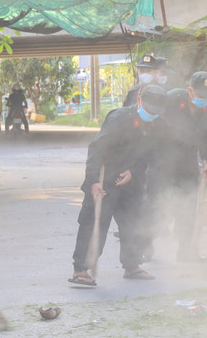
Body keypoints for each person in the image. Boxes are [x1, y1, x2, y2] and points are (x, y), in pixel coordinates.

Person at [68, 85, 168, 287]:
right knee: (94, 223)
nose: (151, 114)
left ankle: (132, 266)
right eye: (149, 109)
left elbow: (149, 156)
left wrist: (134, 172)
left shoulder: (158, 125)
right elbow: (96, 149)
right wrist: (94, 181)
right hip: (105, 178)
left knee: (133, 223)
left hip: (130, 180)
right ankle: (81, 269)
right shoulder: (119, 119)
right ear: (139, 99)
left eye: (155, 111)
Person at [151, 70, 207, 262]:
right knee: (154, 205)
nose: (205, 99)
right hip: (161, 160)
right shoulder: (170, 100)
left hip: (187, 162)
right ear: (190, 90)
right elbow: (153, 127)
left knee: (187, 207)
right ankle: (144, 248)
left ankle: (186, 252)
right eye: (200, 95)